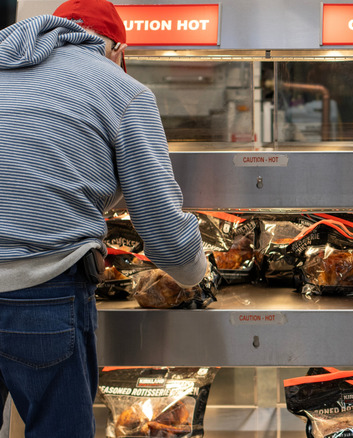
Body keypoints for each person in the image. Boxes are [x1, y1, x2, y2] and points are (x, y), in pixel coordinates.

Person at [0, 0, 208, 435]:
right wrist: (196, 273)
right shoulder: (120, 88)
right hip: (42, 290)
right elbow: (165, 233)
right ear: (115, 49)